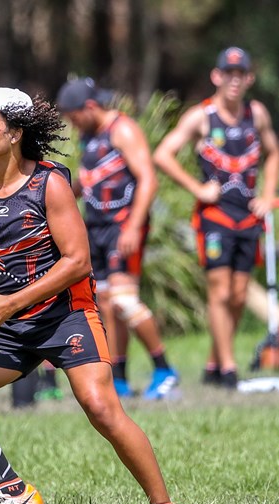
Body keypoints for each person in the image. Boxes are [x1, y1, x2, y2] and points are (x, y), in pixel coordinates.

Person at [0, 87, 183, 504]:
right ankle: (15, 493)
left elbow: (78, 262)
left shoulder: (49, 184)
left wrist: (8, 303)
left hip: (65, 318)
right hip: (5, 325)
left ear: (15, 134)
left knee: (101, 408)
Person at [153, 46, 279, 388]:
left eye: (241, 75)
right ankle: (228, 369)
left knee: (239, 295)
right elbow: (163, 154)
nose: (234, 81)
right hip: (215, 217)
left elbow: (273, 154)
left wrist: (267, 194)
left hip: (248, 217)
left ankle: (213, 362)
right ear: (217, 76)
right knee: (220, 291)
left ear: (249, 78)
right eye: (229, 74)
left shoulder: (257, 114)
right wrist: (197, 188)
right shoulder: (202, 116)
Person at [57, 77, 180, 400]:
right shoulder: (89, 137)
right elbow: (89, 181)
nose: (72, 124)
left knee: (125, 300)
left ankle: (164, 368)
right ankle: (120, 377)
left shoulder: (122, 131)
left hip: (124, 226)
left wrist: (132, 227)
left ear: (91, 107)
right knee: (107, 304)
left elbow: (148, 180)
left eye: (74, 117)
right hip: (96, 228)